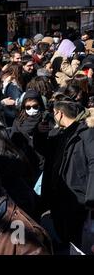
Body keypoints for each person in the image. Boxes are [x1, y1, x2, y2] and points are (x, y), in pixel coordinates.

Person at [42, 100, 94, 251]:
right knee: (64, 236)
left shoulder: (86, 132)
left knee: (76, 240)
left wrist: (91, 199)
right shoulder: (61, 132)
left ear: (59, 113)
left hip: (78, 197)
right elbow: (45, 150)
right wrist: (40, 132)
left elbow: (93, 163)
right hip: (61, 196)